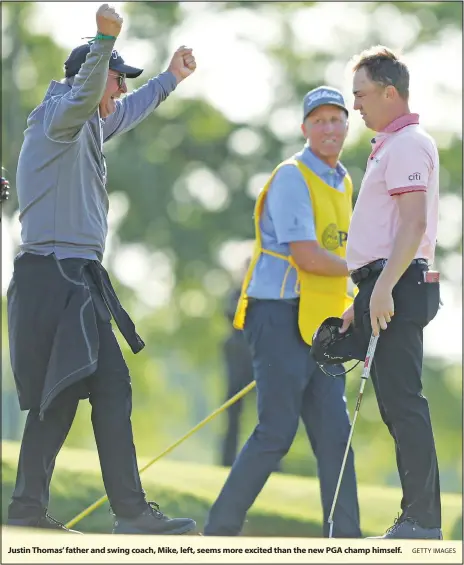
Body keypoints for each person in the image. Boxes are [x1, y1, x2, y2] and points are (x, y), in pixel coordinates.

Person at [7, 4, 197, 535]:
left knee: (63, 394)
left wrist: (169, 80)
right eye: (116, 81)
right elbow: (92, 92)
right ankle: (131, 513)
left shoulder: (84, 127)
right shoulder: (59, 120)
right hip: (57, 276)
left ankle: (27, 508)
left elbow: (126, 111)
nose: (117, 92)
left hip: (70, 277)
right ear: (91, 81)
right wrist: (103, 39)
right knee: (107, 386)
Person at [204, 86, 361, 538]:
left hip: (321, 322)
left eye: (337, 119)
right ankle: (220, 532)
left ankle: (346, 541)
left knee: (336, 437)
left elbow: (333, 252)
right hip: (277, 315)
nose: (329, 128)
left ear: (346, 126)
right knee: (276, 431)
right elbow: (309, 257)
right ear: (304, 129)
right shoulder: (292, 176)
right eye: (320, 120)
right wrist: (366, 272)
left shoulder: (343, 180)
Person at [341, 46, 442, 539]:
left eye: (361, 95)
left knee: (404, 403)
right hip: (384, 282)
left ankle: (421, 521)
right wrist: (360, 299)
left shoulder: (406, 144)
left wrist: (381, 288)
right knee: (397, 404)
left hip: (396, 282)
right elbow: (387, 230)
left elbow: (413, 223)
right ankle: (417, 517)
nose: (355, 105)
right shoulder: (391, 144)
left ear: (389, 92)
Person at [220, 284, 254, 468]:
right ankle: (226, 461)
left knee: (270, 413)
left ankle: (272, 464)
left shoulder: (267, 292)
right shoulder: (235, 292)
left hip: (258, 352)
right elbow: (230, 314)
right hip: (237, 355)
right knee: (233, 413)